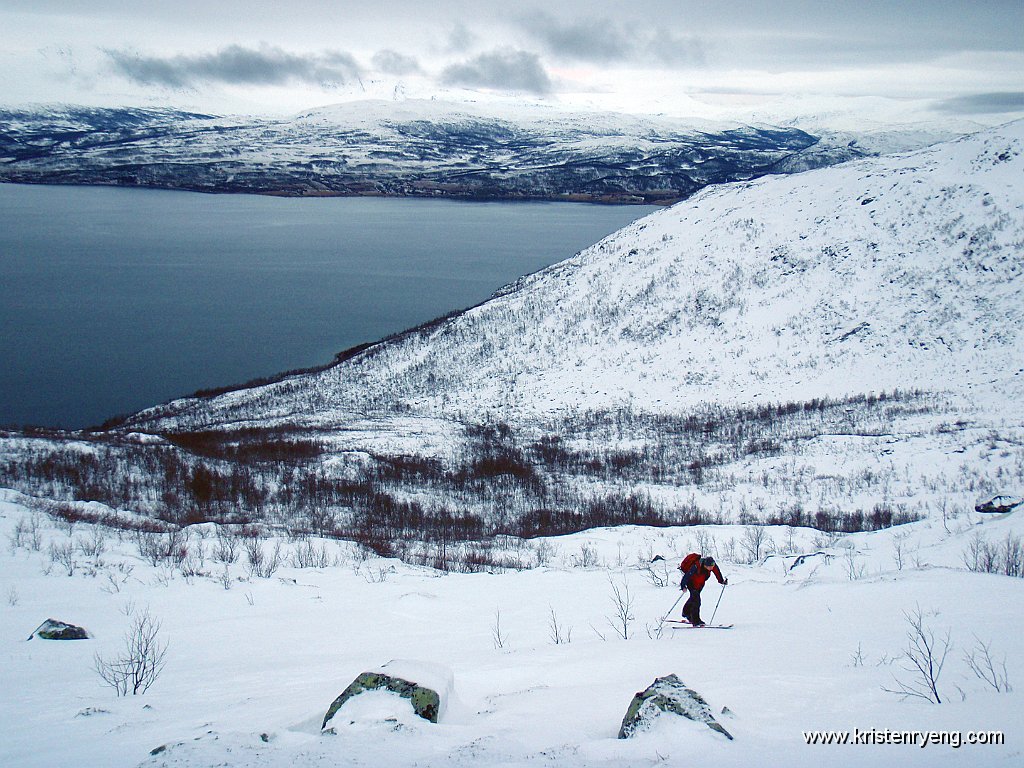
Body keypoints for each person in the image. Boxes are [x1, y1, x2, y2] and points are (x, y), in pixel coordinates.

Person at [678, 553, 727, 626]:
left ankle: (686, 612)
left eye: (712, 566)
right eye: (710, 567)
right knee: (697, 601)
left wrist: (721, 581)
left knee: (693, 599)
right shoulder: (696, 566)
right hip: (691, 583)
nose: (711, 568)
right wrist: (683, 586)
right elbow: (687, 576)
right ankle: (696, 621)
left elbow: (717, 573)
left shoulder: (712, 564)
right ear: (705, 565)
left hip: (700, 584)